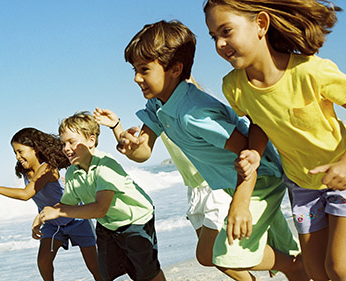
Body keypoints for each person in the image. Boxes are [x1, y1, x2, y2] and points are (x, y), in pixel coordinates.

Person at [117, 19, 306, 280]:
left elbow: (247, 150)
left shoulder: (194, 112)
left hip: (259, 177)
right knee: (283, 247)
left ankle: (294, 266)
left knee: (227, 254)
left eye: (144, 69)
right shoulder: (158, 105)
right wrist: (130, 148)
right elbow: (144, 153)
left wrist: (241, 200)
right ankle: (298, 266)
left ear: (175, 69)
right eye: (135, 70)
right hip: (232, 182)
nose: (137, 78)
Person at [204, 1, 346, 280]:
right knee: (317, 272)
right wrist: (255, 153)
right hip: (303, 186)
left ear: (260, 24)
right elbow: (260, 121)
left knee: (341, 268)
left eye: (226, 31)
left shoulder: (310, 72)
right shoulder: (234, 86)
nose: (220, 44)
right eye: (214, 37)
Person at [34, 112, 166, 281]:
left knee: (146, 272)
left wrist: (59, 212)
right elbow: (66, 204)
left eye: (72, 142)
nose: (66, 148)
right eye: (63, 143)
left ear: (91, 140)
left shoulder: (105, 165)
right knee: (105, 273)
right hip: (108, 225)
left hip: (136, 221)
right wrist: (42, 216)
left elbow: (100, 208)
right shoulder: (73, 172)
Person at [0, 128, 102, 281]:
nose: (18, 157)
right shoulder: (25, 172)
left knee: (95, 268)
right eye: (15, 153)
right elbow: (43, 199)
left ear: (35, 149)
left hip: (75, 219)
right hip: (53, 224)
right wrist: (40, 217)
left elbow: (26, 194)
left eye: (20, 151)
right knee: (43, 261)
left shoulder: (47, 168)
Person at [93, 107, 225, 239]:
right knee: (211, 257)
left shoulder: (192, 100)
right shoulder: (156, 109)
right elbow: (140, 151)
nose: (141, 85)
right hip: (195, 190)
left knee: (210, 254)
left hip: (218, 184)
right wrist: (117, 127)